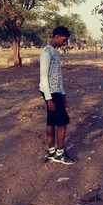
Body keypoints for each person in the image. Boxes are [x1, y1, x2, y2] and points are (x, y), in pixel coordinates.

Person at [39, 26, 75, 165]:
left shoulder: (55, 52)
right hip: (51, 93)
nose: (64, 43)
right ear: (57, 36)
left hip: (56, 92)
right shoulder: (46, 53)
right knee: (62, 123)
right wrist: (49, 99)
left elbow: (57, 76)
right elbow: (43, 77)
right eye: (64, 40)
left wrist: (64, 95)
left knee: (52, 121)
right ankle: (59, 153)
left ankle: (51, 151)